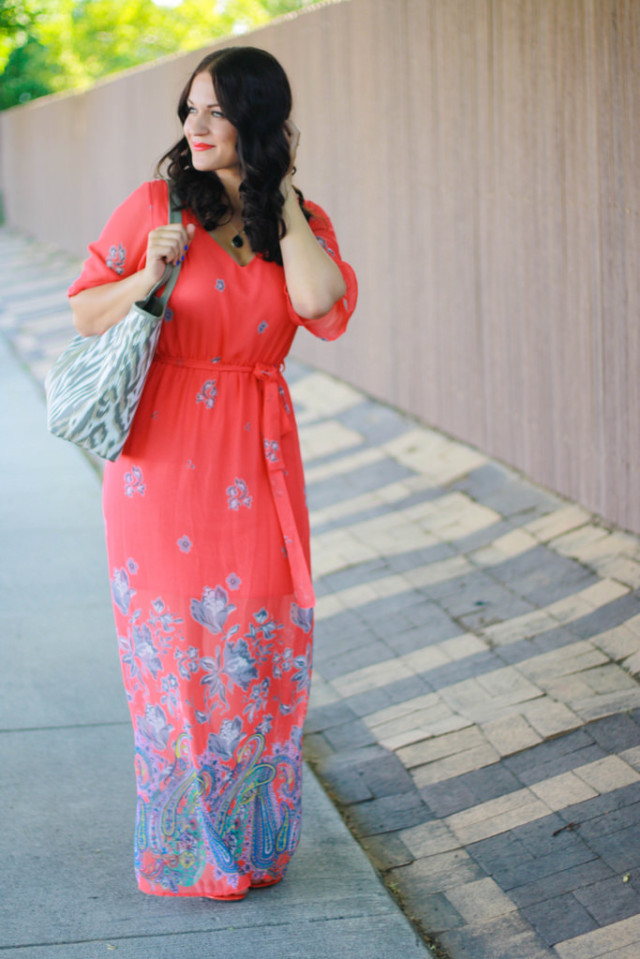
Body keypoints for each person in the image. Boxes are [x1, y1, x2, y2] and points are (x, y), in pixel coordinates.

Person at [68, 45, 357, 901]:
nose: (194, 127)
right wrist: (149, 278)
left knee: (258, 655)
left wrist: (287, 204)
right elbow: (85, 309)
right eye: (188, 110)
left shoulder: (299, 221)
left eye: (216, 112)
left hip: (260, 465)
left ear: (257, 123)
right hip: (161, 469)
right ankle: (188, 853)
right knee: (181, 665)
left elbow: (318, 303)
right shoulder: (156, 206)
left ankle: (251, 845)